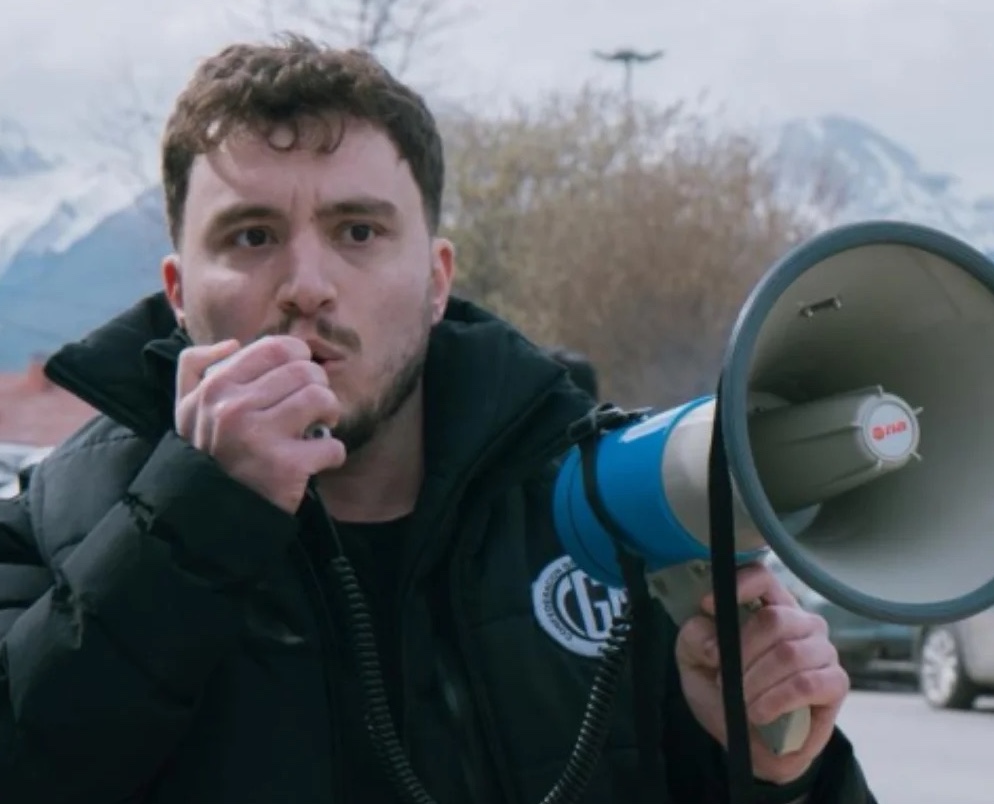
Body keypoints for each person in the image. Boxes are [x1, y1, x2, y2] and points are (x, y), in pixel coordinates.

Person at [0, 35, 876, 804]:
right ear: (179, 292)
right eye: (252, 237)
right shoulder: (56, 527)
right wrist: (191, 521)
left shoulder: (604, 518)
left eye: (358, 231)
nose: (308, 286)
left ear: (436, 281)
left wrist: (782, 777)